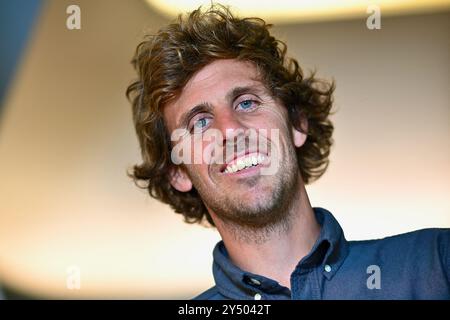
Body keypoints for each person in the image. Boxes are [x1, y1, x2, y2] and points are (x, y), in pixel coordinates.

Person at [126, 5, 449, 300]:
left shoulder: (436, 265)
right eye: (200, 122)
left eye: (247, 102)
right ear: (178, 171)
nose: (231, 129)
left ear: (296, 122)